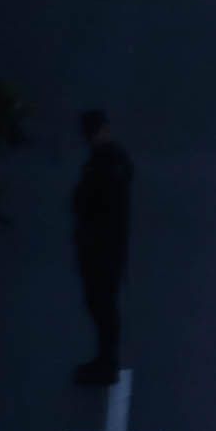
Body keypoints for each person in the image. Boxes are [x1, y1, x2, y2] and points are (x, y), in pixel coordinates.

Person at [67, 107, 131, 387]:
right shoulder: (112, 161)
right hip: (105, 246)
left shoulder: (104, 165)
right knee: (102, 305)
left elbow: (86, 202)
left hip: (102, 248)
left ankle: (107, 363)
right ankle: (105, 359)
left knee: (102, 304)